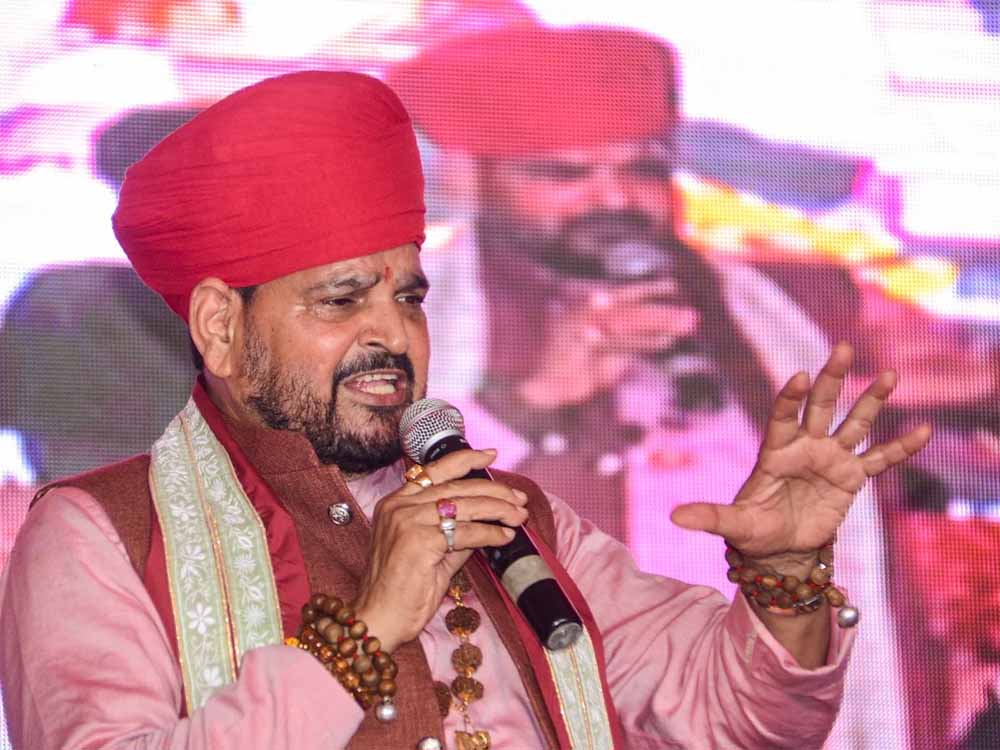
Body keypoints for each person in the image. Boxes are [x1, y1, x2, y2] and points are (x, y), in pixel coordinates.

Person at [0, 70, 929, 750]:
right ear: (220, 326)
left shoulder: (511, 521)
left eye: (408, 297)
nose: (392, 335)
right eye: (341, 299)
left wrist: (786, 578)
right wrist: (369, 628)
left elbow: (736, 721)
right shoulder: (98, 535)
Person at [388, 27, 911, 750]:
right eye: (565, 176)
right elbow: (363, 521)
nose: (615, 199)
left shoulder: (769, 313)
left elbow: (854, 552)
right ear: (473, 179)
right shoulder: (405, 320)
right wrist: (537, 400)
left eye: (641, 170)